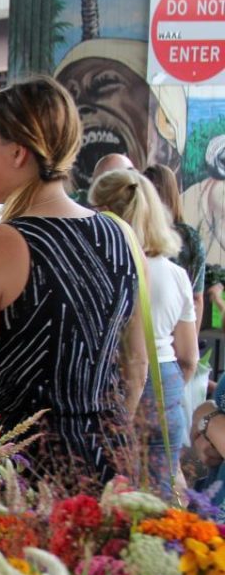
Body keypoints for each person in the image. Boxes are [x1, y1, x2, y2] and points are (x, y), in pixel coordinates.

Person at [0, 75, 145, 486]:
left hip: (22, 474)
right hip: (111, 468)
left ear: (18, 152)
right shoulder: (121, 233)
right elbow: (136, 366)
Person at [90, 168, 196, 496]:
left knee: (111, 493)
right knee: (158, 501)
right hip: (166, 381)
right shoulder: (176, 274)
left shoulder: (102, 269)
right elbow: (189, 357)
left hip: (115, 383)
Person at [145, 163, 206, 328]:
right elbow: (197, 298)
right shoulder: (191, 238)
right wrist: (192, 340)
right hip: (180, 323)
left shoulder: (136, 233)